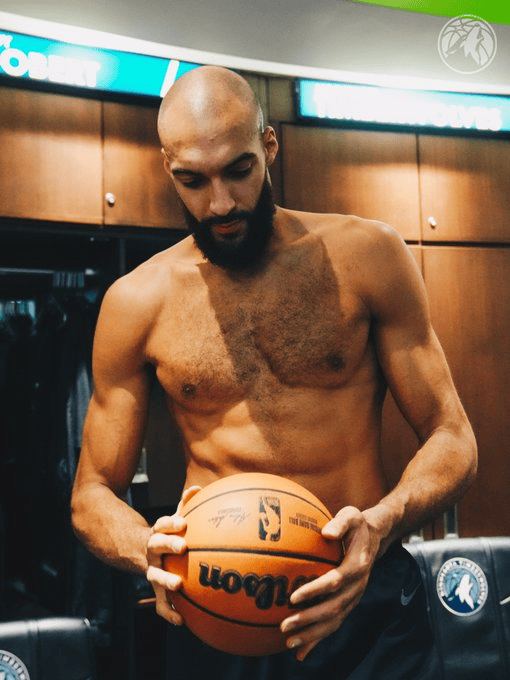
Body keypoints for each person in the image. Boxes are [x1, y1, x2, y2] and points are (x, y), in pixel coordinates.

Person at [71, 65, 477, 679]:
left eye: (239, 170)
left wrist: (383, 523)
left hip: (363, 593)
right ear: (167, 168)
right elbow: (92, 493)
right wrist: (146, 548)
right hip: (218, 606)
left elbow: (454, 437)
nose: (220, 203)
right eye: (192, 180)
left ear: (269, 146)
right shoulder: (136, 302)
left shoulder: (368, 257)